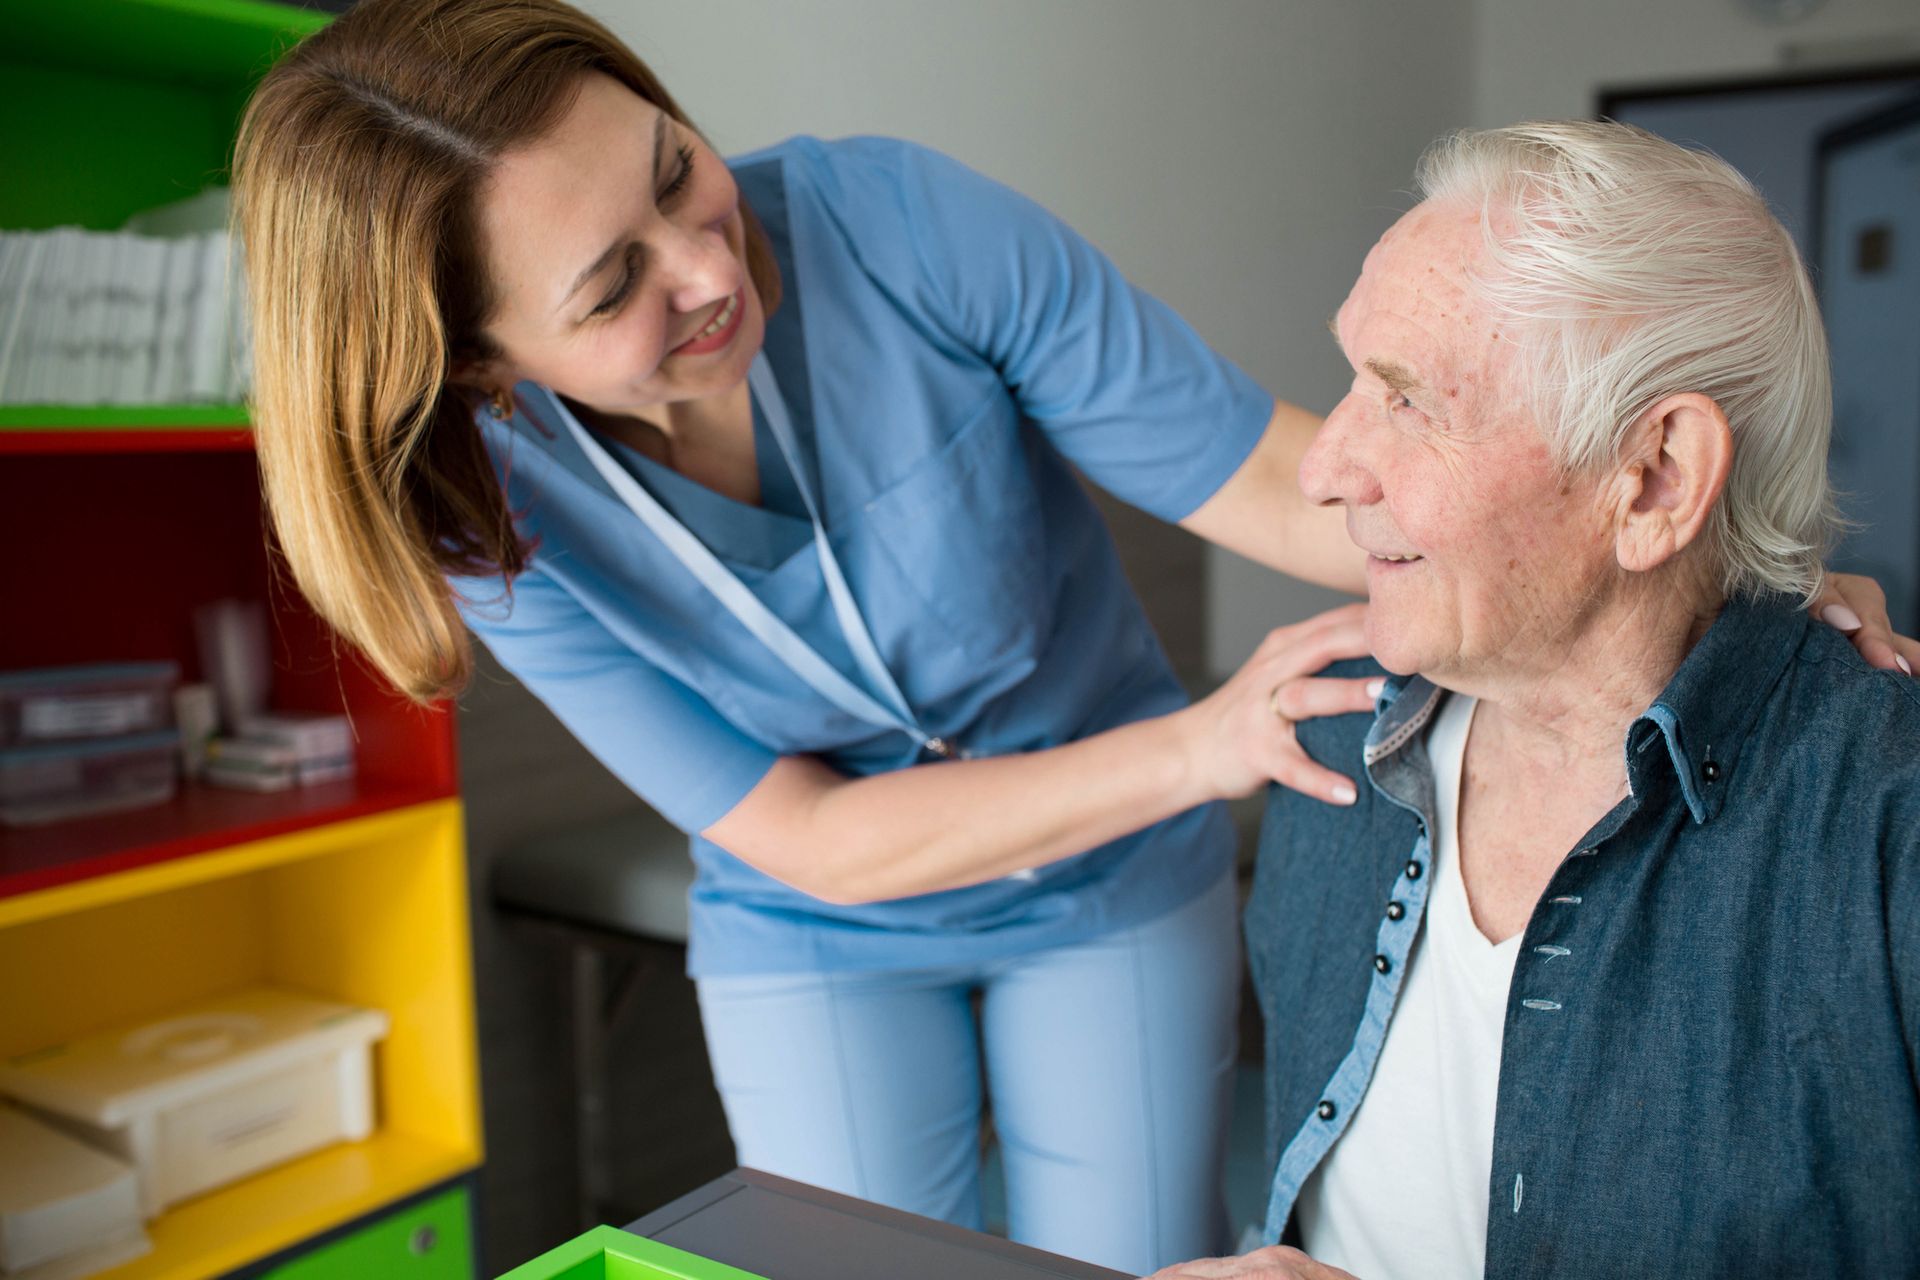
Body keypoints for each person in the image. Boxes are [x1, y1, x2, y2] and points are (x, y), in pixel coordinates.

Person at [231, 3, 1904, 1269]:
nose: (707, 264)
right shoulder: (484, 516)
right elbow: (803, 830)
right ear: (482, 368)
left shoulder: (893, 225)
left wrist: (1706, 576)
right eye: (612, 289)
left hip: (1118, 885)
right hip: (831, 912)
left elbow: (1272, 475)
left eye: (680, 169)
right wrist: (1204, 740)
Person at [1150, 121, 1920, 1280]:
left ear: (1654, 479)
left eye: (1409, 401)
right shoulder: (1329, 747)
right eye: (1354, 379)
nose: (1323, 470)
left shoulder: (1885, 834)